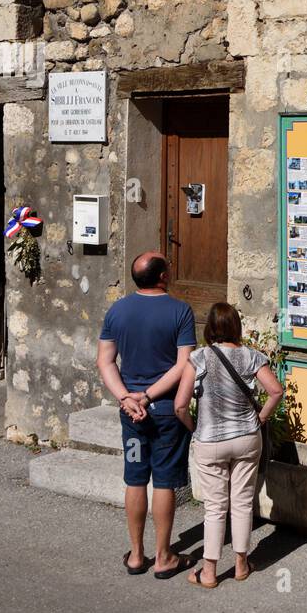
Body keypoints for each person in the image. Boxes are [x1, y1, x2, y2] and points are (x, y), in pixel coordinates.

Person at [96, 251, 197, 579]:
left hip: (131, 415)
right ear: (164, 276)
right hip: (166, 411)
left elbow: (105, 361)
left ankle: (137, 555)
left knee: (135, 477)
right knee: (165, 481)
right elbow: (183, 364)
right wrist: (149, 395)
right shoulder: (180, 311)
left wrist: (126, 397)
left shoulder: (117, 310)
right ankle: (164, 556)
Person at [175, 302, 284, 589]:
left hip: (210, 440)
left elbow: (180, 406)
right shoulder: (250, 356)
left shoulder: (198, 358)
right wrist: (259, 417)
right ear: (237, 327)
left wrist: (194, 428)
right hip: (247, 438)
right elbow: (276, 391)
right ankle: (240, 564)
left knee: (215, 507)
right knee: (243, 502)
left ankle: (209, 571)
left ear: (210, 328)